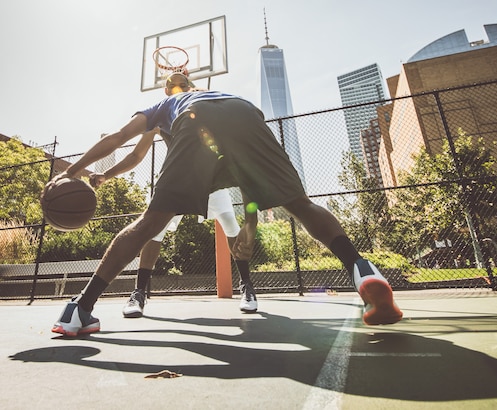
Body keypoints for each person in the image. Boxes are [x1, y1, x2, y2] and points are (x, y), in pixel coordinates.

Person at [47, 72, 403, 336]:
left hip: (196, 129)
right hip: (247, 115)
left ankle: (81, 308)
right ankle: (364, 271)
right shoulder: (216, 92)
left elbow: (119, 138)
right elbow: (251, 188)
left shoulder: (166, 105)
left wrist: (73, 172)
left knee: (149, 224)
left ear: (172, 89)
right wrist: (251, 225)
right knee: (300, 205)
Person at [89, 126, 258, 317]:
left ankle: (247, 286)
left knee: (230, 224)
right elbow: (136, 155)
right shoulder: (162, 116)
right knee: (154, 231)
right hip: (178, 183)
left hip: (213, 183)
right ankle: (139, 292)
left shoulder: (207, 111)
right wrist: (106, 175)